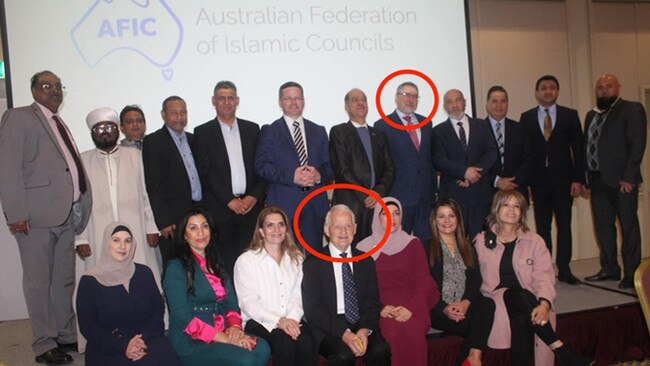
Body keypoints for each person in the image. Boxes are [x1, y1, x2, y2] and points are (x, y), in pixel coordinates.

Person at [0, 70, 92, 365]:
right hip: (35, 218)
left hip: (64, 216)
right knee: (39, 282)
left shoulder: (57, 120)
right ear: (34, 90)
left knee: (63, 280)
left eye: (57, 86)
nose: (54, 90)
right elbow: (8, 167)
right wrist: (16, 213)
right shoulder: (19, 117)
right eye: (46, 85)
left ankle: (64, 333)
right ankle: (43, 343)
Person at [474, 190, 594, 366]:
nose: (512, 210)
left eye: (517, 206)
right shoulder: (482, 240)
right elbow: (471, 276)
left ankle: (560, 353)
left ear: (522, 212)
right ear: (496, 209)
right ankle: (561, 350)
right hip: (496, 297)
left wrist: (544, 304)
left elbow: (544, 276)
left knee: (523, 317)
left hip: (529, 300)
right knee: (517, 295)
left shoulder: (534, 241)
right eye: (506, 205)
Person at [163, 206, 270, 366]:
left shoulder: (215, 262)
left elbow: (231, 302)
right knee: (245, 359)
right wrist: (226, 339)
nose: (201, 233)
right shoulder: (176, 267)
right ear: (184, 235)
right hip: (192, 339)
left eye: (204, 226)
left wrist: (234, 328)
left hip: (223, 329)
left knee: (262, 349)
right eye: (193, 228)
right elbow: (182, 318)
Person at [75, 107, 161, 288]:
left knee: (141, 275)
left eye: (109, 127)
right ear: (92, 133)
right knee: (102, 279)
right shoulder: (83, 160)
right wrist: (81, 239)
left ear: (117, 130)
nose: (105, 132)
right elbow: (79, 204)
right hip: (97, 230)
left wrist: (151, 227)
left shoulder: (135, 156)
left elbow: (146, 194)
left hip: (135, 227)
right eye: (99, 128)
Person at [76, 222, 180, 366]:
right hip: (108, 345)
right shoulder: (89, 281)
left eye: (128, 240)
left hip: (146, 338)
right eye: (116, 240)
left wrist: (141, 340)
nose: (122, 246)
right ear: (107, 243)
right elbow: (88, 327)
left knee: (166, 355)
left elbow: (157, 312)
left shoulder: (144, 273)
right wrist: (124, 346)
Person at [302, 204, 391, 366]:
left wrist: (364, 330)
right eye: (337, 226)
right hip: (328, 326)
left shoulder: (366, 261)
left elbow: (373, 301)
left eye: (348, 226)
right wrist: (344, 333)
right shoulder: (313, 263)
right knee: (344, 356)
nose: (343, 231)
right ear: (327, 230)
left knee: (381, 349)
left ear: (355, 228)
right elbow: (313, 309)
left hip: (360, 322)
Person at [195, 81, 267, 276]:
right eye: (221, 98)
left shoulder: (253, 129)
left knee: (255, 263)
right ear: (214, 101)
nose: (226, 102)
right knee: (225, 264)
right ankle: (230, 306)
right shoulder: (202, 132)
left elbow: (262, 168)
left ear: (237, 101)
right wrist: (229, 200)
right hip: (221, 210)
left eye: (230, 98)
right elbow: (206, 172)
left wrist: (253, 197)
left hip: (251, 209)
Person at [583, 74, 647, 289]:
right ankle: (609, 269)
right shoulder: (590, 116)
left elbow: (638, 144)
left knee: (628, 227)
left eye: (609, 86)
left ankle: (632, 273)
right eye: (600, 87)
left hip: (622, 182)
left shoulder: (631, 109)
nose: (604, 90)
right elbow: (587, 147)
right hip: (597, 181)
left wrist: (629, 176)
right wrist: (585, 178)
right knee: (603, 228)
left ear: (618, 88)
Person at [357, 197, 438, 366]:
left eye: (396, 213)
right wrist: (380, 309)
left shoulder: (413, 244)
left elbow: (423, 282)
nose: (392, 218)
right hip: (382, 308)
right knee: (391, 333)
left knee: (414, 333)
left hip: (412, 307)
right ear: (377, 219)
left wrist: (411, 309)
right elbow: (361, 288)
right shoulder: (363, 249)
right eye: (386, 214)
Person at [520, 75, 584, 285]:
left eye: (552, 88)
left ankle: (564, 269)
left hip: (564, 181)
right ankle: (545, 270)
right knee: (542, 228)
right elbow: (525, 152)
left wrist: (578, 179)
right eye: (544, 88)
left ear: (557, 91)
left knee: (564, 226)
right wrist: (526, 182)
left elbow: (579, 149)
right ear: (536, 92)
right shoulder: (527, 117)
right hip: (538, 182)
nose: (548, 91)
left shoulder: (570, 115)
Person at [255, 81, 332, 251]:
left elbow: (330, 166)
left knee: (314, 259)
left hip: (314, 205)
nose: (293, 102)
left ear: (304, 101)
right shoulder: (270, 131)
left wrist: (319, 175)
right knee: (286, 257)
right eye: (288, 98)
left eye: (297, 98)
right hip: (284, 207)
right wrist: (292, 176)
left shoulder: (318, 130)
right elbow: (261, 166)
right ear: (280, 102)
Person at [233, 207, 315, 365]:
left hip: (291, 318)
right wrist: (279, 321)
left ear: (286, 229)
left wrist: (291, 319)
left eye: (281, 224)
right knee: (284, 343)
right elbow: (248, 302)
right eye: (270, 225)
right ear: (261, 231)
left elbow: (299, 294)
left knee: (307, 340)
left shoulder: (296, 257)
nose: (276, 229)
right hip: (259, 321)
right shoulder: (246, 260)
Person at [428, 198, 495, 366]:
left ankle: (474, 357)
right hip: (439, 309)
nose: (447, 221)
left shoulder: (466, 245)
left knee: (487, 304)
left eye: (451, 215)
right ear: (434, 221)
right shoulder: (424, 248)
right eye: (441, 216)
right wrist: (444, 308)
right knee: (478, 326)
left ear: (458, 219)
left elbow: (475, 279)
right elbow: (426, 288)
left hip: (463, 304)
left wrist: (465, 303)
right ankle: (474, 358)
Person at [329, 88, 395, 243]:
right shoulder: (339, 131)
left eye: (364, 99)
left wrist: (379, 191)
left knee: (376, 250)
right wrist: (366, 194)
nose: (360, 103)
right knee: (349, 251)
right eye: (355, 100)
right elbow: (341, 169)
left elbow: (390, 168)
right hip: (351, 203)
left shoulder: (379, 134)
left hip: (377, 203)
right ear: (346, 107)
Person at [374, 81, 436, 242]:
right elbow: (381, 165)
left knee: (426, 245)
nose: (411, 99)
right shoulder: (382, 125)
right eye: (406, 95)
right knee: (398, 245)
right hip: (399, 197)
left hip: (425, 196)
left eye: (415, 96)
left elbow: (428, 159)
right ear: (396, 98)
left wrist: (434, 190)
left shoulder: (427, 123)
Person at [143, 96, 202, 266]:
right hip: (173, 218)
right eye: (174, 113)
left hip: (197, 210)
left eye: (183, 112)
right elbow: (154, 184)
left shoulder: (194, 139)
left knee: (199, 262)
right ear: (163, 115)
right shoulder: (154, 142)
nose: (179, 117)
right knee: (176, 264)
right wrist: (164, 221)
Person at [433, 89, 498, 239]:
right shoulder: (438, 131)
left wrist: (474, 174)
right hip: (453, 196)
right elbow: (439, 160)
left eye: (458, 100)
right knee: (455, 242)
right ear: (444, 106)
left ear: (465, 103)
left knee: (481, 241)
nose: (455, 105)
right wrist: (464, 172)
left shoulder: (482, 125)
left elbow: (491, 152)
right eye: (450, 102)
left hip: (480, 194)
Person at [484, 86, 533, 201]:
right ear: (487, 105)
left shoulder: (520, 128)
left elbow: (529, 159)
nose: (499, 105)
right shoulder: (477, 129)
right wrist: (497, 181)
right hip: (488, 193)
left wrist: (513, 181)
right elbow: (476, 162)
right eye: (494, 101)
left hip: (516, 191)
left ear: (507, 104)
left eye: (503, 101)